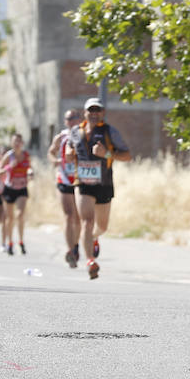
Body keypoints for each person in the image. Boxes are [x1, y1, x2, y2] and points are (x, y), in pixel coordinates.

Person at [65, 97, 132, 280]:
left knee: (101, 226)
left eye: (97, 111)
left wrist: (107, 154)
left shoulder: (110, 132)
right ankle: (90, 261)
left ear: (102, 113)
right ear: (85, 113)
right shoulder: (75, 132)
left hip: (104, 184)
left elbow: (127, 156)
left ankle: (94, 238)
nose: (94, 114)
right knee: (86, 220)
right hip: (83, 183)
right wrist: (69, 155)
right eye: (90, 111)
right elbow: (69, 151)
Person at [48, 109, 82, 267]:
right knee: (69, 215)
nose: (71, 121)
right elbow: (51, 152)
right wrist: (54, 160)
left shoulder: (84, 134)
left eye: (74, 118)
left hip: (80, 179)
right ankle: (70, 250)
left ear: (79, 119)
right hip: (63, 178)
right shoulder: (60, 137)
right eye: (68, 119)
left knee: (78, 217)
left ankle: (76, 246)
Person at [0, 133, 33, 255]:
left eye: (19, 141)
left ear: (22, 143)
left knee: (20, 214)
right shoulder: (9, 156)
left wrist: (30, 172)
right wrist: (9, 167)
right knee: (10, 218)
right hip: (9, 188)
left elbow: (30, 167)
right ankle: (10, 242)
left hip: (22, 188)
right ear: (11, 143)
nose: (17, 144)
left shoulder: (26, 155)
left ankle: (21, 241)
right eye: (15, 141)